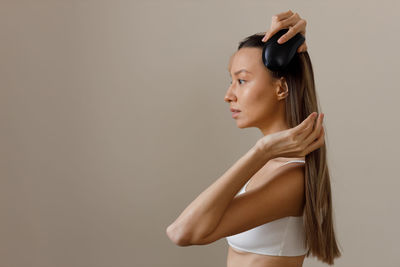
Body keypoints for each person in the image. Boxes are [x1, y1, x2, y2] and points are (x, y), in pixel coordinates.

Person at [166, 10, 342, 267]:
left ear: (281, 88)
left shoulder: (292, 178)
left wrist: (262, 151)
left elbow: (182, 232)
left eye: (241, 80)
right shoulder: (270, 164)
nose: (229, 94)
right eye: (231, 80)